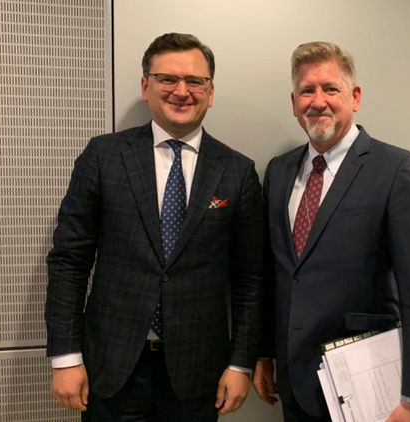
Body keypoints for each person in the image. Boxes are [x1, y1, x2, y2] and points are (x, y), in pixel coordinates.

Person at [45, 33, 263, 421]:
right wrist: (66, 356)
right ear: (146, 86)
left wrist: (241, 362)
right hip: (111, 369)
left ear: (210, 92)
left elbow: (250, 277)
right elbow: (69, 261)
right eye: (167, 79)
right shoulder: (104, 157)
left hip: (199, 375)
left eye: (195, 81)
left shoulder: (238, 171)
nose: (182, 91)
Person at [253, 41, 410, 422]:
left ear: (355, 97)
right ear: (294, 103)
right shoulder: (278, 172)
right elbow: (274, 273)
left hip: (365, 386)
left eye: (331, 89)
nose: (318, 101)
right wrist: (264, 353)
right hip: (295, 381)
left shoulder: (397, 170)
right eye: (307, 91)